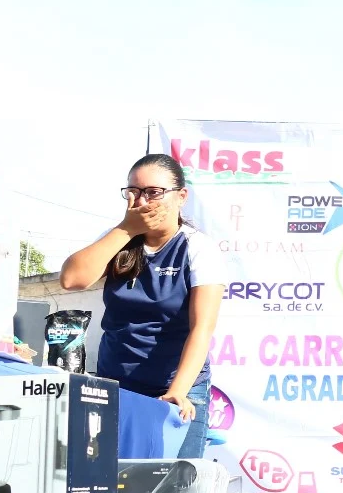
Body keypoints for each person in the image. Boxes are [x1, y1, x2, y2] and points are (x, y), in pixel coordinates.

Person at [59, 154, 224, 458]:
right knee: (114, 480)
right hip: (116, 386)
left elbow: (202, 329)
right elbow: (71, 280)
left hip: (177, 387)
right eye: (133, 192)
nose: (143, 201)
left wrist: (177, 391)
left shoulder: (198, 247)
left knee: (172, 483)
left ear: (181, 197)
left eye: (154, 192)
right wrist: (126, 229)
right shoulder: (119, 239)